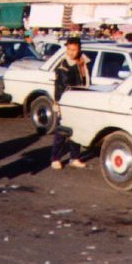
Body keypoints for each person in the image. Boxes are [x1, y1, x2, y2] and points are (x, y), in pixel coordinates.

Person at [51, 37, 90, 170]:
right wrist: (58, 104)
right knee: (62, 131)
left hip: (81, 101)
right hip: (67, 101)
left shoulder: (84, 62)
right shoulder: (64, 66)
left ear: (79, 49)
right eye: (69, 49)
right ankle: (55, 158)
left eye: (74, 49)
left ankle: (74, 157)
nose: (71, 52)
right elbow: (60, 87)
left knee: (77, 130)